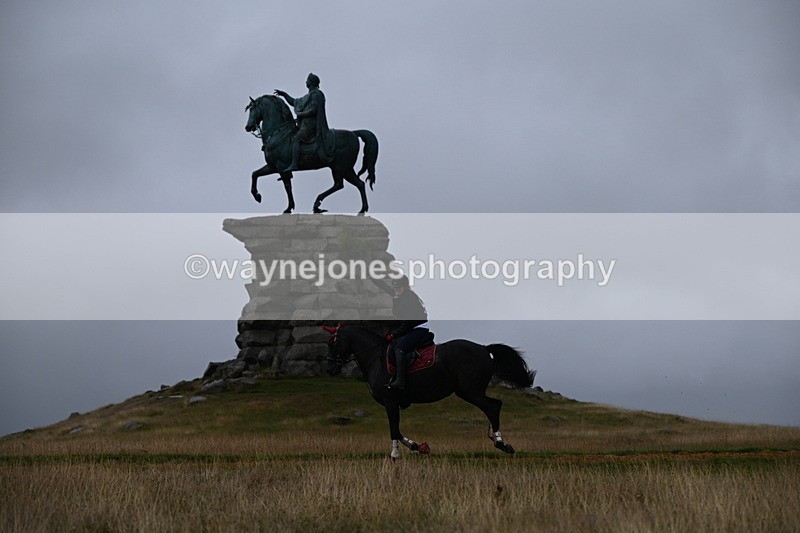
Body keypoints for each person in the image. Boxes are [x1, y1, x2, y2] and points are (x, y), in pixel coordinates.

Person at [374, 275, 430, 390]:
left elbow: (407, 325)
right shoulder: (400, 294)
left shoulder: (408, 300)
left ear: (405, 287)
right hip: (411, 327)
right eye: (395, 287)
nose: (396, 289)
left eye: (399, 287)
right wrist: (371, 277)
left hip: (418, 329)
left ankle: (400, 380)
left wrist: (393, 335)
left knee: (399, 349)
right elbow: (385, 287)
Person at [273, 73, 335, 172]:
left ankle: (294, 164)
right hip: (305, 124)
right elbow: (294, 102)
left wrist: (301, 114)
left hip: (312, 125)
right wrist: (284, 94)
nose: (306, 82)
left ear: (311, 82)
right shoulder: (308, 96)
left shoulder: (316, 94)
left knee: (296, 138)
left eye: (307, 80)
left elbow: (314, 109)